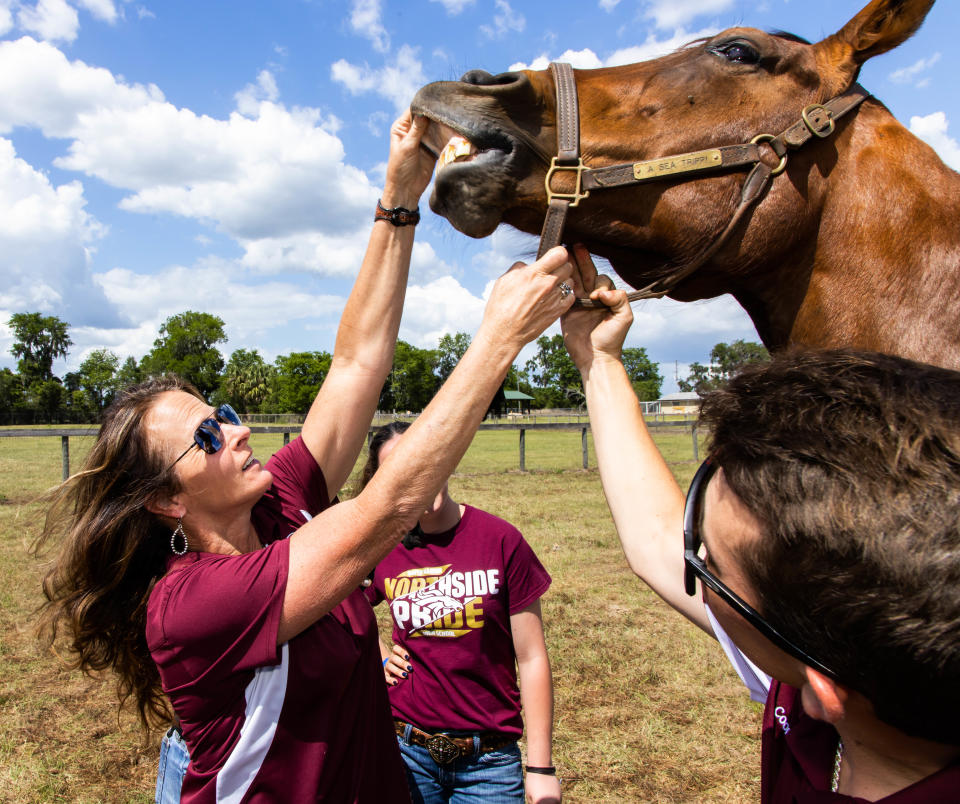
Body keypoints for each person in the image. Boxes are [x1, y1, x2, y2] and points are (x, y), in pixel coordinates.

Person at [34, 104, 578, 803]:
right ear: (167, 501)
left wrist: (399, 196)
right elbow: (388, 508)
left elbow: (355, 366)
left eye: (223, 415)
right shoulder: (190, 604)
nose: (234, 431)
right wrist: (497, 341)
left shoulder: (276, 502)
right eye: (205, 438)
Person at [560, 246, 960, 802]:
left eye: (709, 563)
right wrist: (598, 359)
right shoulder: (868, 673)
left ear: (823, 692)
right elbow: (655, 538)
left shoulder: (821, 691)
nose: (688, 551)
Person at [358, 421, 562, 804]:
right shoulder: (382, 546)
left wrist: (540, 767)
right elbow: (343, 603)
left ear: (445, 461)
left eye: (423, 461)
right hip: (405, 751)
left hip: (489, 762)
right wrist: (378, 650)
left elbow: (532, 658)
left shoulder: (501, 540)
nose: (417, 477)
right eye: (399, 469)